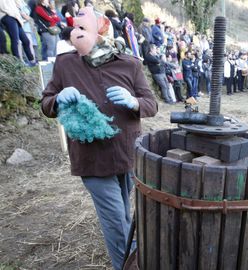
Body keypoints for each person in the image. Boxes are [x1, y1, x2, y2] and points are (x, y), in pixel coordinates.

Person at [40, 7, 157, 270]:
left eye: (84, 28)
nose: (76, 32)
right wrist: (57, 98)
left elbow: (151, 104)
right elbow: (45, 104)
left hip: (127, 154)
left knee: (123, 213)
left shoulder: (130, 64)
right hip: (90, 158)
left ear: (102, 30)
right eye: (75, 28)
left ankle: (133, 255)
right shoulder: (65, 63)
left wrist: (134, 102)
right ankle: (125, 265)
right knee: (115, 219)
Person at [0, 0, 36, 65]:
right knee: (15, 40)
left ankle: (32, 61)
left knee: (26, 41)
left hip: (16, 18)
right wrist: (13, 13)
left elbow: (18, 6)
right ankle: (17, 62)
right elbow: (3, 7)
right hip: (8, 17)